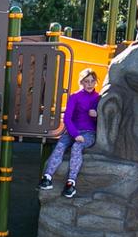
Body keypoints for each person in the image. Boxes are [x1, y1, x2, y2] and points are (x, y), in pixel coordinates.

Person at [40, 67, 101, 198]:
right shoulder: (75, 97)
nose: (89, 84)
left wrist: (96, 115)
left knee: (76, 147)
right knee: (61, 144)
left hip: (89, 132)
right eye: (86, 81)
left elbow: (104, 120)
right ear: (81, 82)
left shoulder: (98, 98)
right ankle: (47, 177)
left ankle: (71, 182)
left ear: (96, 82)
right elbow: (67, 118)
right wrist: (75, 134)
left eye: (92, 81)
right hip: (73, 131)